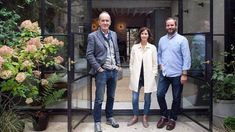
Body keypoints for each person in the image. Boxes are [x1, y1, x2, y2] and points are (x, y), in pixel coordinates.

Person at [86, 11, 121, 132]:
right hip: (102, 71)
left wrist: (118, 65)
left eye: (107, 20)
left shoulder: (114, 34)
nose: (105, 22)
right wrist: (98, 68)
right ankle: (97, 122)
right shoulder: (93, 36)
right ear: (99, 22)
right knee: (99, 98)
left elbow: (116, 51)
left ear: (110, 22)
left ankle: (109, 117)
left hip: (113, 71)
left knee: (111, 96)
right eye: (103, 20)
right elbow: (89, 55)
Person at [156, 17, 191, 130]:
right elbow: (159, 54)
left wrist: (184, 73)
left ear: (175, 26)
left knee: (176, 98)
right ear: (165, 26)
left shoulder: (182, 40)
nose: (170, 27)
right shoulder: (162, 40)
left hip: (177, 74)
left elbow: (187, 57)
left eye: (172, 25)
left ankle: (172, 118)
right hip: (165, 74)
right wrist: (160, 64)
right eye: (168, 25)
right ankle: (164, 115)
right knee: (160, 94)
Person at [127, 27, 158, 128]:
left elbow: (155, 63)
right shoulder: (135, 47)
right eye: (142, 33)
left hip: (148, 77)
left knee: (147, 99)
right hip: (137, 77)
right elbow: (131, 63)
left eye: (146, 34)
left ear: (148, 35)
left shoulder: (152, 48)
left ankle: (145, 117)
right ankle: (135, 116)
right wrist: (132, 73)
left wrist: (153, 74)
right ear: (140, 35)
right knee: (134, 98)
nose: (144, 35)